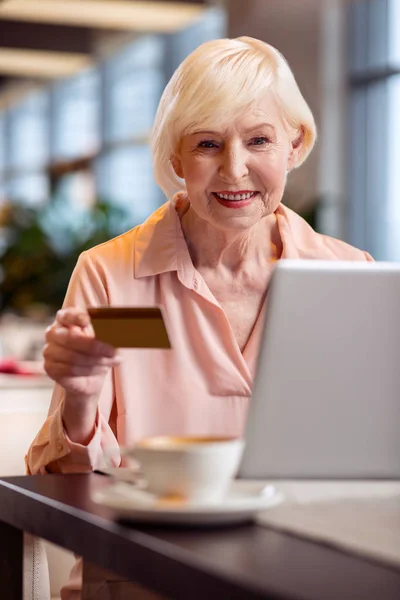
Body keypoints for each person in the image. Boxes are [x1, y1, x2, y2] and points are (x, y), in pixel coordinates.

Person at [26, 37, 373, 598]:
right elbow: (68, 488)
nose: (234, 169)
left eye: (258, 139)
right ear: (175, 160)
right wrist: (82, 401)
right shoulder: (112, 277)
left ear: (294, 143)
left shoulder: (351, 273)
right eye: (207, 143)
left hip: (306, 577)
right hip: (140, 582)